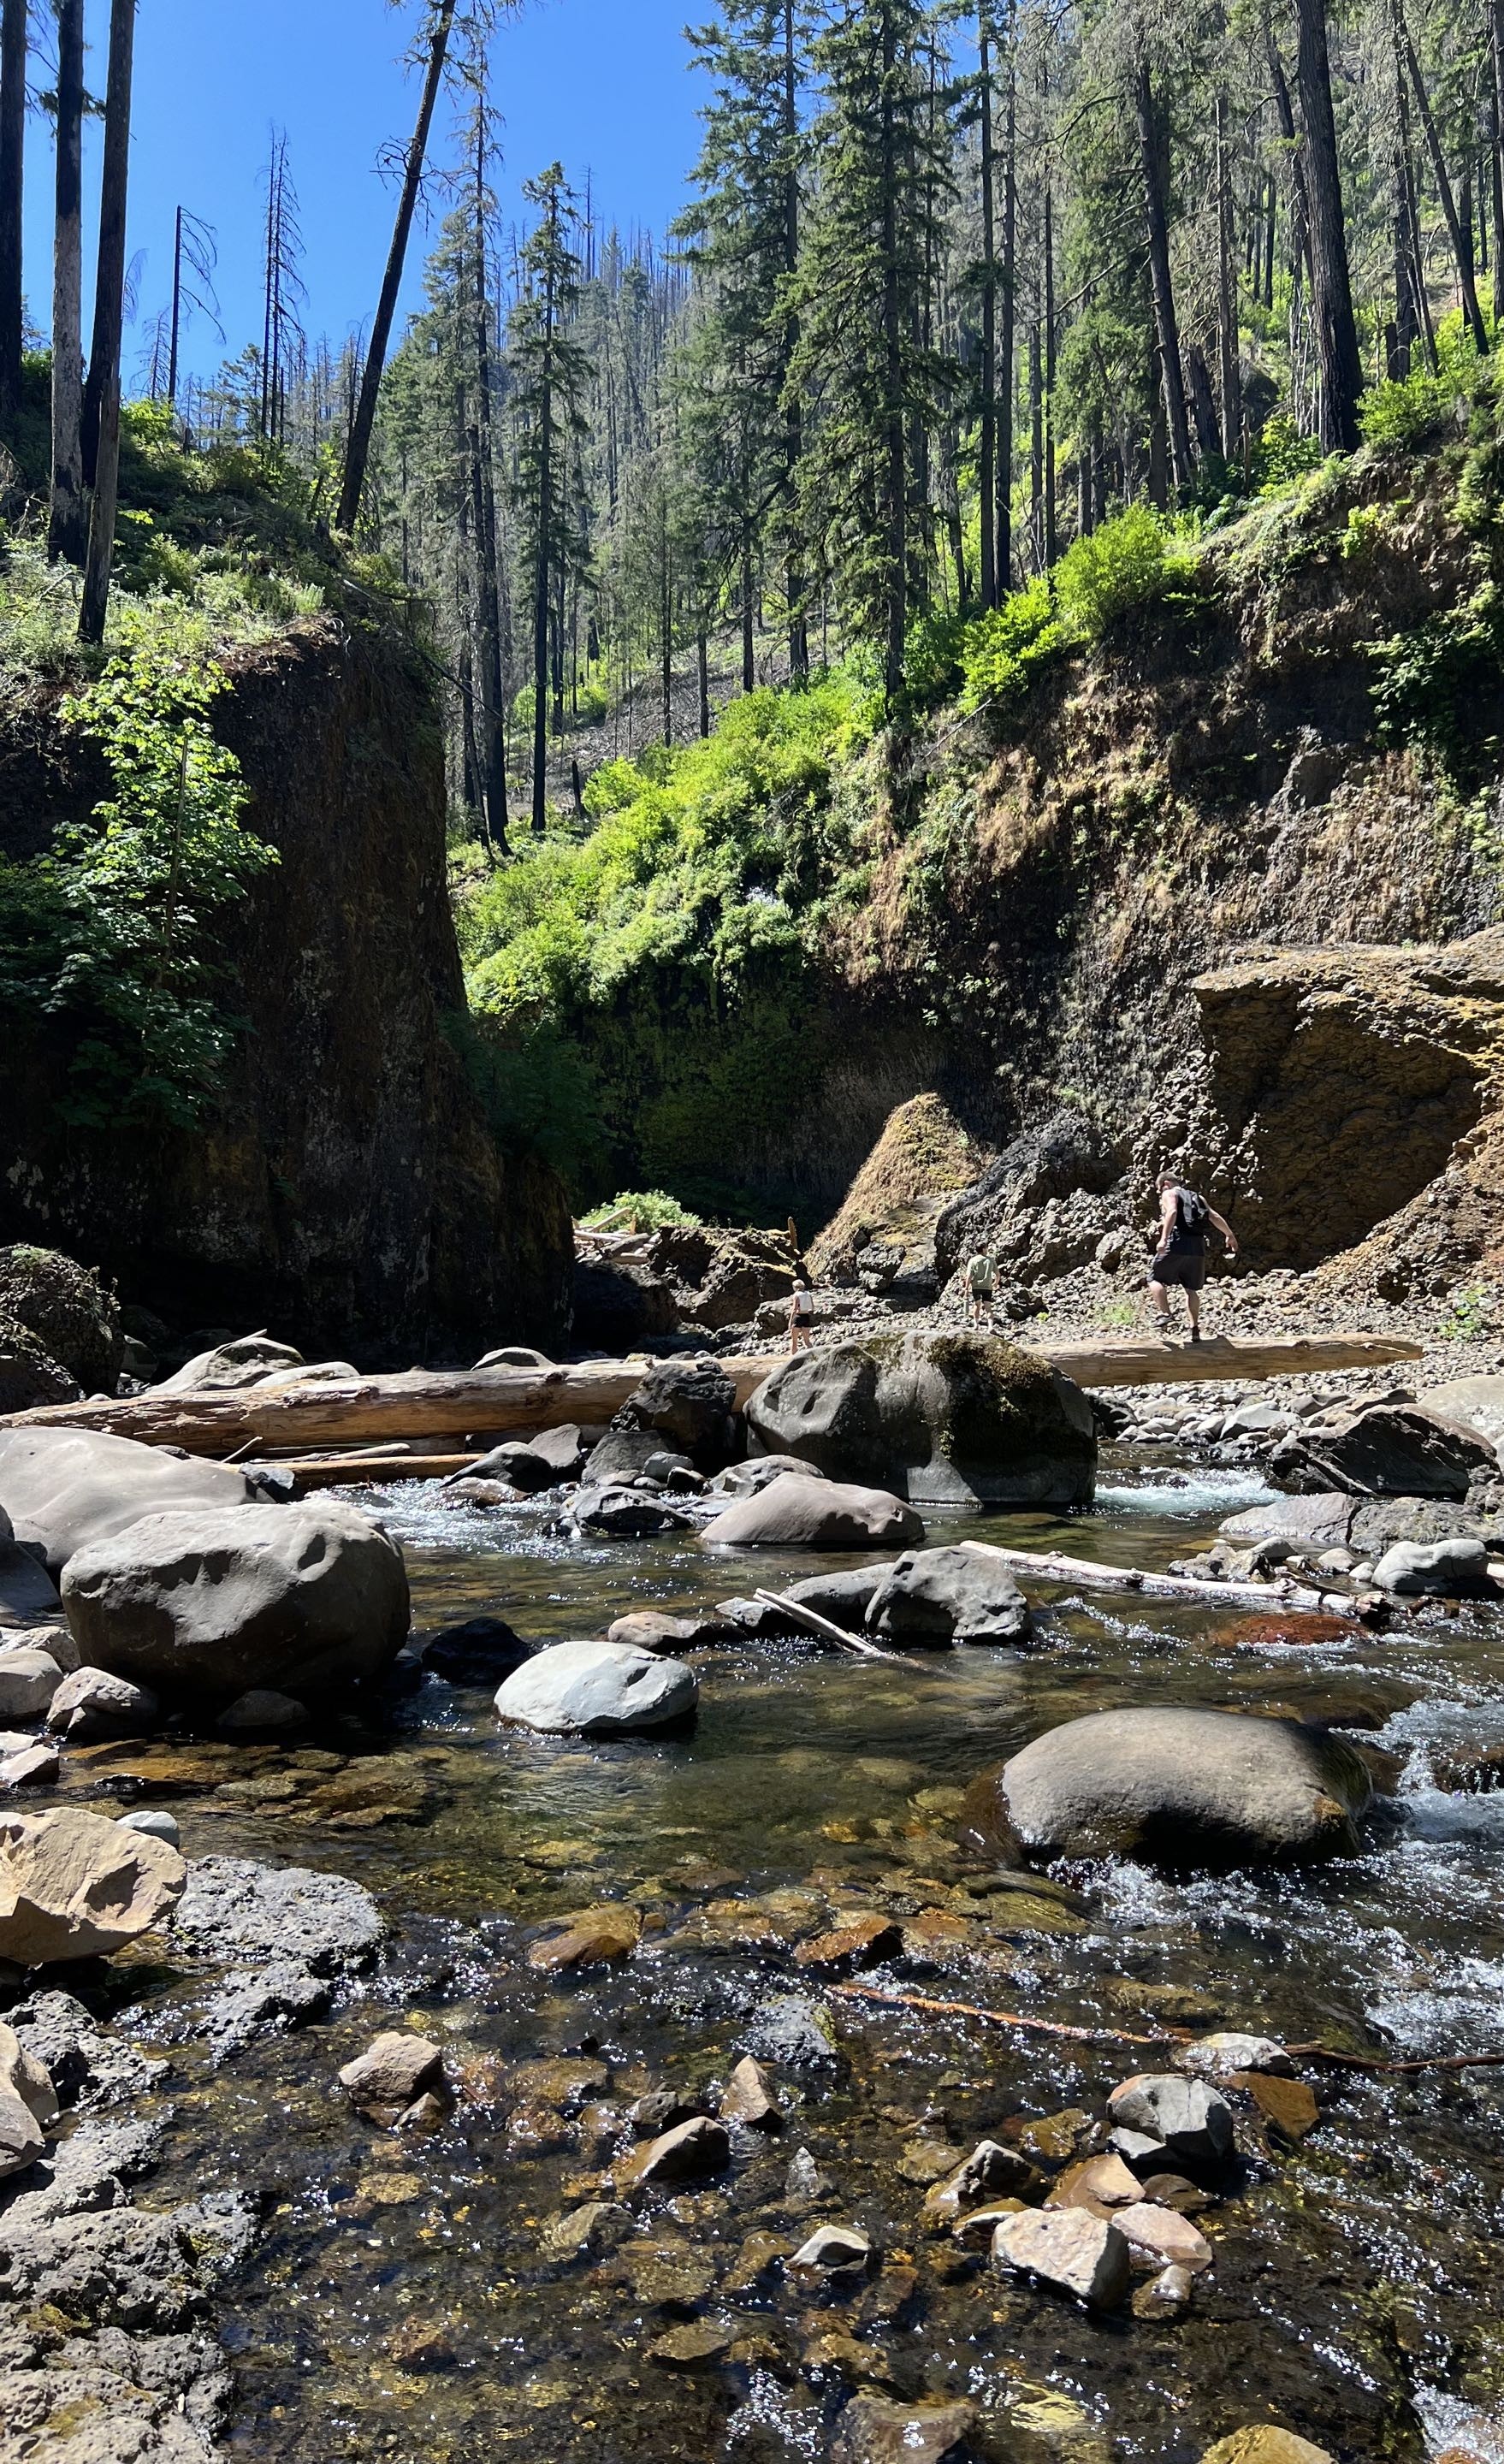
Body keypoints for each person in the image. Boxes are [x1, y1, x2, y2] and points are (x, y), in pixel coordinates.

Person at [1148, 1171, 1237, 1342]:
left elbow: (1172, 1212)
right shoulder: (1198, 1197)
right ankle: (1194, 1328)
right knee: (1191, 1289)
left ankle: (1165, 1314)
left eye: (1159, 1190)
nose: (1160, 1193)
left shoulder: (1169, 1193)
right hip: (1197, 1245)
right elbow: (1213, 1216)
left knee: (1155, 1279)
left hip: (1176, 1241)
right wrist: (1229, 1235)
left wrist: (1163, 1239)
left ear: (1166, 1183)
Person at [965, 1247, 997, 1328]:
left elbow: (969, 1276)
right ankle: (990, 1327)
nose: (987, 1249)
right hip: (987, 1286)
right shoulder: (990, 1260)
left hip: (976, 1286)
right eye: (986, 1248)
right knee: (988, 1308)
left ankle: (976, 1325)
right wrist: (995, 1283)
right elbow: (998, 1274)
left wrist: (966, 1288)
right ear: (983, 1249)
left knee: (977, 1305)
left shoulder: (972, 1260)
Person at [789, 1269, 816, 1353]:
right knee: (807, 1341)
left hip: (798, 1317)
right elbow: (812, 1307)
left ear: (795, 1287)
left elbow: (794, 1308)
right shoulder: (808, 1294)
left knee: (794, 1342)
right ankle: (813, 1357)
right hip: (806, 1316)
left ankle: (792, 1361)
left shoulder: (796, 1295)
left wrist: (790, 1321)